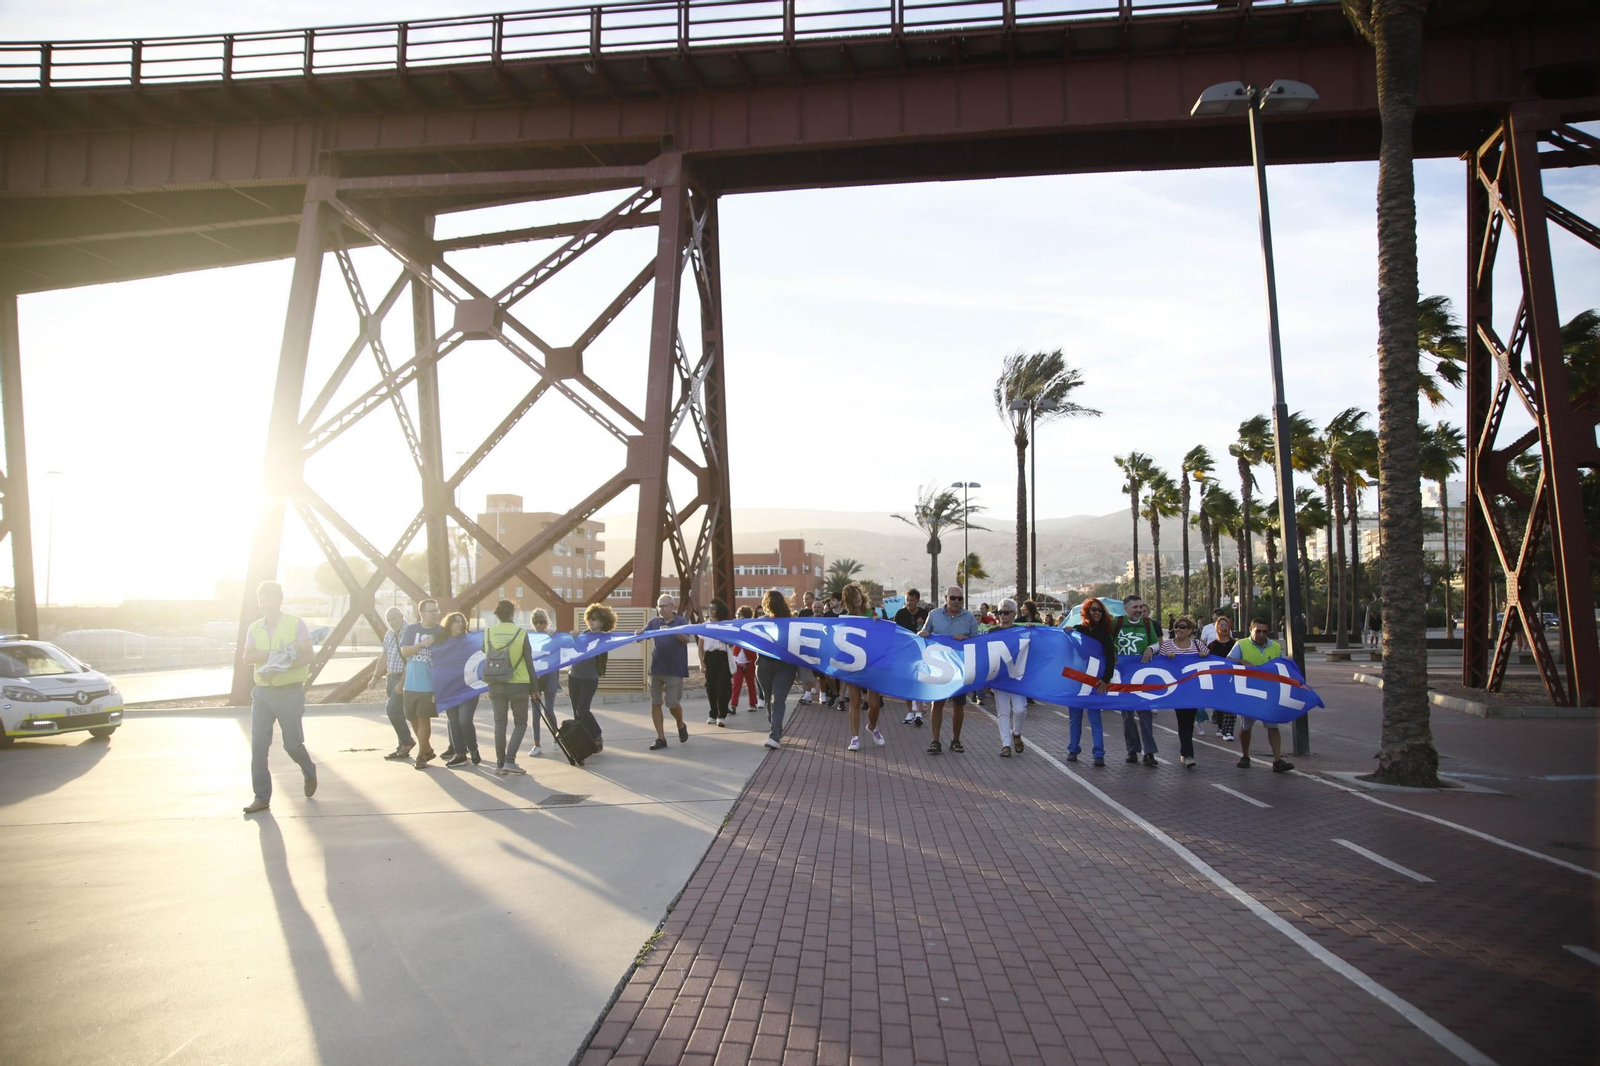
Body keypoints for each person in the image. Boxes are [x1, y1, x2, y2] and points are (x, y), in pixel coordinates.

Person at [240, 580, 317, 814]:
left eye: (269, 600)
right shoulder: (254, 627)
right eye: (261, 600)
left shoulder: (295, 624)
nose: (265, 605)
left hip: (290, 692)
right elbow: (247, 656)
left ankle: (308, 769)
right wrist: (276, 655)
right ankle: (261, 797)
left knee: (292, 744)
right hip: (262, 694)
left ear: (279, 600)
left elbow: (308, 655)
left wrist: (284, 665)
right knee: (258, 747)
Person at [1229, 617, 1296, 772]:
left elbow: (1281, 666)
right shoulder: (1241, 644)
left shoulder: (1275, 647)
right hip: (1249, 692)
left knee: (1273, 725)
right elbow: (1228, 662)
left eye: (1264, 631)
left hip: (1269, 692)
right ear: (1251, 630)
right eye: (1257, 631)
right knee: (1246, 726)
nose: (1261, 634)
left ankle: (1277, 760)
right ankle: (1245, 756)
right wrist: (1242, 662)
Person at [919, 586, 978, 755]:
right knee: (937, 703)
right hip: (939, 668)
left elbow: (978, 641)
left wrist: (966, 639)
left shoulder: (969, 618)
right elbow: (924, 632)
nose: (956, 602)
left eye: (960, 599)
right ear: (946, 598)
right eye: (953, 598)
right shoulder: (934, 615)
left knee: (958, 706)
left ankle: (956, 740)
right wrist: (922, 633)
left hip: (960, 668)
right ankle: (935, 741)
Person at [483, 599, 531, 776]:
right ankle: (510, 760)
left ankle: (499, 763)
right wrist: (534, 687)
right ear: (513, 613)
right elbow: (529, 661)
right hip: (518, 683)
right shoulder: (521, 632)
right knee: (520, 723)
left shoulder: (488, 632)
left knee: (499, 724)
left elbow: (484, 650)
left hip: (495, 683)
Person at [1066, 596, 1114, 766]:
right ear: (1087, 612)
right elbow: (1074, 651)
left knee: (1095, 718)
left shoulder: (1105, 634)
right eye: (1093, 609)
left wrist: (1106, 679)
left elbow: (1110, 658)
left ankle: (1099, 753)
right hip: (1078, 680)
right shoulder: (1078, 630)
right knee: (1075, 718)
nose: (1097, 613)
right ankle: (1073, 749)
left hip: (1096, 681)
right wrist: (1068, 634)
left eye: (1100, 610)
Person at [643, 593, 693, 750]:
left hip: (674, 669)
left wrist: (672, 631)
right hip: (657, 668)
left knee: (672, 704)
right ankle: (661, 738)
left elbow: (686, 639)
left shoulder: (680, 621)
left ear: (672, 607)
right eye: (659, 606)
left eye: (664, 606)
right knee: (655, 703)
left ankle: (680, 724)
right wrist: (637, 634)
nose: (661, 609)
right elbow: (642, 635)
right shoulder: (654, 622)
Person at [1115, 594, 1161, 766]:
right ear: (1126, 608)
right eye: (1135, 607)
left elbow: (1157, 644)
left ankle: (1149, 752)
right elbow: (1105, 639)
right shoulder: (1117, 623)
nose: (1138, 610)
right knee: (1127, 716)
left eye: (1140, 607)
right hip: (1123, 676)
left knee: (1145, 714)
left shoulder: (1148, 624)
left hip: (1143, 676)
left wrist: (1150, 648)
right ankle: (1132, 750)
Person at [1157, 615, 1208, 768]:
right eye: (1177, 626)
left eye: (1182, 627)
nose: (1178, 629)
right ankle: (1189, 755)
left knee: (1189, 721)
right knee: (1183, 719)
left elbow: (1211, 663)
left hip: (1193, 689)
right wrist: (1166, 658)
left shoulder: (1199, 645)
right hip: (1176, 690)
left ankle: (1184, 753)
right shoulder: (1167, 645)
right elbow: (1157, 666)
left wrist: (1204, 657)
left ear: (1191, 630)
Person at [839, 582, 885, 751]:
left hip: (872, 663)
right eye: (853, 597)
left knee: (874, 704)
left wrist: (878, 622)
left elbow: (880, 635)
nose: (857, 599)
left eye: (858, 595)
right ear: (848, 601)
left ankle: (872, 727)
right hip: (853, 664)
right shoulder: (844, 619)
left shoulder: (871, 613)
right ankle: (855, 738)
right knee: (855, 702)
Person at [400, 598, 444, 769]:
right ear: (422, 613)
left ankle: (421, 756)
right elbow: (405, 652)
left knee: (424, 719)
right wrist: (421, 644)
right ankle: (428, 749)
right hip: (411, 684)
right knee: (412, 718)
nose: (435, 614)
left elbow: (445, 658)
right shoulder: (412, 630)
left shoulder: (441, 632)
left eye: (436, 610)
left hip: (429, 685)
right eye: (431, 611)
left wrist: (438, 688)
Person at [567, 603, 614, 751]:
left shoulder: (604, 638)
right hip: (574, 677)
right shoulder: (582, 635)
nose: (592, 621)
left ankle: (596, 735)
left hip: (589, 678)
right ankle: (583, 742)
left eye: (595, 619)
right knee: (576, 712)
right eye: (590, 618)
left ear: (602, 621)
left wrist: (637, 634)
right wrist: (573, 638)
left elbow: (619, 640)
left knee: (583, 710)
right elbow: (574, 650)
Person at [757, 590, 798, 750]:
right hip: (764, 665)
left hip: (785, 666)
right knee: (769, 700)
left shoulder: (791, 621)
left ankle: (774, 736)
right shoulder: (760, 621)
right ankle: (776, 729)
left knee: (778, 700)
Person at [439, 612, 482, 767]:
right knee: (454, 722)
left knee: (464, 720)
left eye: (461, 621)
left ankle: (473, 749)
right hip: (449, 688)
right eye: (455, 621)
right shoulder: (443, 643)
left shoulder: (471, 640)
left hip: (468, 687)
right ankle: (460, 753)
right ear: (449, 624)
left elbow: (486, 650)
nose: (459, 624)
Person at [989, 598, 1028, 758]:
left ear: (1013, 614)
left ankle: (1016, 733)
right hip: (999, 677)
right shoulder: (992, 632)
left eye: (1006, 612)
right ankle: (1006, 744)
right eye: (1000, 612)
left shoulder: (1021, 631)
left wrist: (1031, 629)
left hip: (1017, 677)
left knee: (1020, 709)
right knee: (1003, 712)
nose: (1002, 615)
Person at [378, 605, 414, 761]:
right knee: (398, 713)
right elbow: (384, 655)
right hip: (391, 677)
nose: (392, 622)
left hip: (403, 678)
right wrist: (375, 676)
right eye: (389, 620)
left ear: (402, 617)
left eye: (394, 618)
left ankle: (407, 742)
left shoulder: (410, 632)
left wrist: (402, 681)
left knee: (392, 710)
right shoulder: (390, 633)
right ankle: (402, 748)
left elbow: (411, 660)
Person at [525, 610, 561, 757]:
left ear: (547, 623)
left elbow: (563, 646)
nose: (539, 625)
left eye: (542, 622)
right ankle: (537, 744)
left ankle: (556, 738)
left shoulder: (551, 636)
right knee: (535, 713)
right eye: (536, 622)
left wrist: (555, 636)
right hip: (535, 678)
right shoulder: (528, 638)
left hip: (550, 676)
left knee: (549, 710)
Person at [893, 589, 930, 726]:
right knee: (908, 680)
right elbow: (894, 631)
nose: (909, 603)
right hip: (905, 653)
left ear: (917, 600)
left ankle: (919, 711)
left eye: (911, 600)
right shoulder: (900, 614)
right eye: (907, 600)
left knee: (919, 680)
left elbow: (931, 631)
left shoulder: (925, 614)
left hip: (921, 653)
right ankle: (910, 711)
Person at [699, 598, 735, 727]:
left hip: (722, 657)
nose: (711, 611)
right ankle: (713, 713)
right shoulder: (705, 625)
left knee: (722, 687)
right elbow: (700, 646)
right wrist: (701, 663)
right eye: (709, 608)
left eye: (713, 608)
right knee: (711, 687)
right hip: (709, 657)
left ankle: (722, 715)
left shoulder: (725, 625)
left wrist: (727, 640)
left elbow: (732, 643)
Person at [1204, 616, 1238, 740]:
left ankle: (1228, 731)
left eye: (1226, 625)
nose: (1224, 627)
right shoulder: (1212, 645)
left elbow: (1240, 659)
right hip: (1217, 679)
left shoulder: (1235, 644)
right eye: (1221, 625)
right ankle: (1220, 725)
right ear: (1217, 628)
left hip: (1232, 679)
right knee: (1218, 704)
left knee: (1231, 704)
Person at [731, 605, 758, 710]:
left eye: (740, 615)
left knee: (750, 683)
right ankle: (733, 704)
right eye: (737, 615)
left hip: (749, 659)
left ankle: (752, 703)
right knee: (736, 683)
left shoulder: (751, 627)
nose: (738, 617)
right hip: (737, 659)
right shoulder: (735, 625)